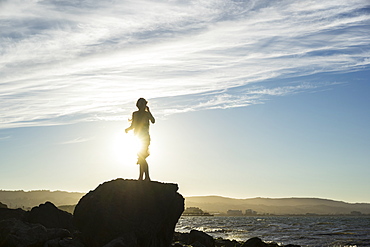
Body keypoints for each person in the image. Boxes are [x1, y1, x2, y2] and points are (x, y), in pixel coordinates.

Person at [125, 98, 155, 181]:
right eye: (140, 103)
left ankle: (146, 177)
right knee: (141, 157)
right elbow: (133, 125)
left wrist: (149, 111)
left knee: (141, 157)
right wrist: (128, 129)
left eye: (143, 104)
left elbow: (153, 121)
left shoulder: (146, 114)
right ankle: (142, 177)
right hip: (137, 137)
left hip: (145, 137)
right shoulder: (135, 114)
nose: (141, 105)